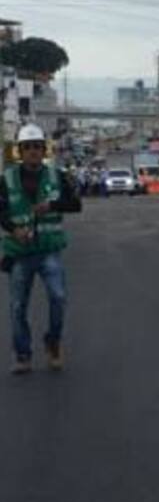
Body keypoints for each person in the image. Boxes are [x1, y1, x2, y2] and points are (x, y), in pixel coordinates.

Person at [0, 125, 82, 374]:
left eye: (37, 147)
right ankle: (23, 354)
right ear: (20, 151)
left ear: (43, 150)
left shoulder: (58, 176)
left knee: (58, 297)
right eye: (28, 147)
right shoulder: (6, 179)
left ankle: (53, 341)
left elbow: (76, 204)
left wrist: (52, 205)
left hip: (48, 250)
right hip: (19, 252)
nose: (33, 151)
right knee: (17, 307)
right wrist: (14, 229)